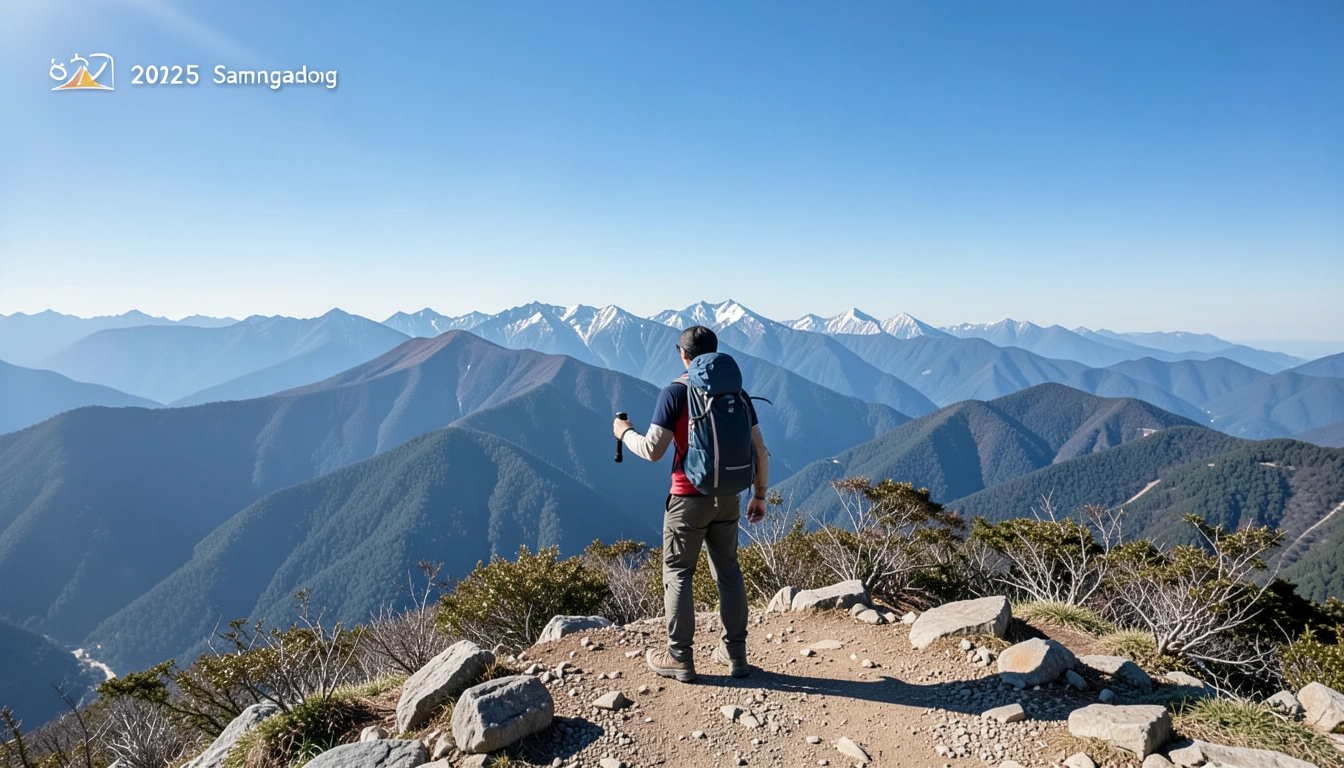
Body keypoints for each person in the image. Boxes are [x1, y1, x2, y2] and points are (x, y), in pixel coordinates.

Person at [612, 325, 769, 681]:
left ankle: (679, 657)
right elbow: (760, 451)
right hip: (728, 497)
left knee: (679, 572)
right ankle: (735, 655)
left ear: (683, 354)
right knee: (729, 572)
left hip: (687, 498)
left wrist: (624, 433)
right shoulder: (738, 394)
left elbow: (652, 450)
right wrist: (759, 495)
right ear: (715, 351)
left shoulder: (674, 392)